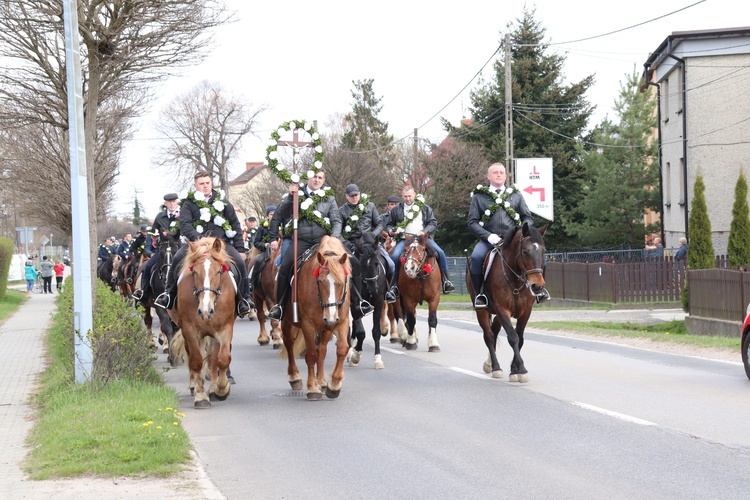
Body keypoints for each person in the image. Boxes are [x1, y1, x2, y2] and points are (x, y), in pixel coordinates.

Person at [267, 169, 373, 321]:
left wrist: (334, 238)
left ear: (324, 180)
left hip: (323, 241)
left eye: (320, 178)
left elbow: (336, 220)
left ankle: (357, 304)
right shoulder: (297, 194)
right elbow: (282, 213)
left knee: (354, 262)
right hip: (301, 240)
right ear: (307, 178)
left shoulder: (329, 198)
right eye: (314, 177)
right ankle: (281, 306)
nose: (316, 180)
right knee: (285, 264)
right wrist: (291, 196)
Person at [155, 171, 253, 316]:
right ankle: (168, 295)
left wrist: (240, 249)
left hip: (221, 246)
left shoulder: (224, 203)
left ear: (211, 184)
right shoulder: (188, 203)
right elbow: (185, 225)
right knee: (176, 259)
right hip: (196, 246)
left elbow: (235, 226)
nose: (205, 186)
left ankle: (244, 299)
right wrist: (200, 241)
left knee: (239, 262)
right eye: (201, 184)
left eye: (207, 183)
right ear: (195, 186)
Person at [467, 162, 549, 309]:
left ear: (505, 176)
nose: (498, 175)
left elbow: (528, 218)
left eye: (501, 172)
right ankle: (480, 294)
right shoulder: (479, 197)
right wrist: (488, 236)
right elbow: (472, 222)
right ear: (488, 176)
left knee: (540, 256)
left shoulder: (516, 195)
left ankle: (540, 291)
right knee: (476, 258)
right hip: (488, 240)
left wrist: (520, 231)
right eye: (495, 172)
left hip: (512, 240)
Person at [386, 185, 455, 294]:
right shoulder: (396, 209)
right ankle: (394, 286)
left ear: (414, 194)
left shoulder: (425, 208)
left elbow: (433, 223)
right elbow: (389, 224)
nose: (408, 198)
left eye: (409, 196)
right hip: (405, 240)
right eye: (405, 196)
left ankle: (446, 281)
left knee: (440, 253)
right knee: (394, 256)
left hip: (423, 239)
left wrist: (424, 231)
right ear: (402, 196)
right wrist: (392, 231)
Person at [339, 183, 396, 304]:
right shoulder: (342, 211)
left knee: (390, 264)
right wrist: (346, 243)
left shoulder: (370, 206)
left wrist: (373, 235)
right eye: (352, 195)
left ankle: (388, 291)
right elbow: (338, 231)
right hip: (353, 245)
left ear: (360, 194)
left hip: (371, 243)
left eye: (356, 195)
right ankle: (351, 297)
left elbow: (379, 224)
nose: (355, 197)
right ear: (346, 196)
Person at [133, 193, 181, 303]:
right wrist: (155, 241)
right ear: (165, 203)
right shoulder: (160, 216)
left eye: (174, 201)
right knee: (148, 266)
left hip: (178, 247)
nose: (172, 204)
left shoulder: (183, 214)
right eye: (169, 202)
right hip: (163, 248)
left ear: (177, 202)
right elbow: (154, 232)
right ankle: (144, 292)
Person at [247, 205, 276, 292]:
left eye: (275, 214)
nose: (273, 216)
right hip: (266, 251)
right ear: (267, 216)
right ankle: (252, 282)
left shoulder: (281, 226)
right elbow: (256, 242)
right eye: (271, 214)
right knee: (258, 261)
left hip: (279, 250)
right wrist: (265, 245)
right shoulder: (262, 227)